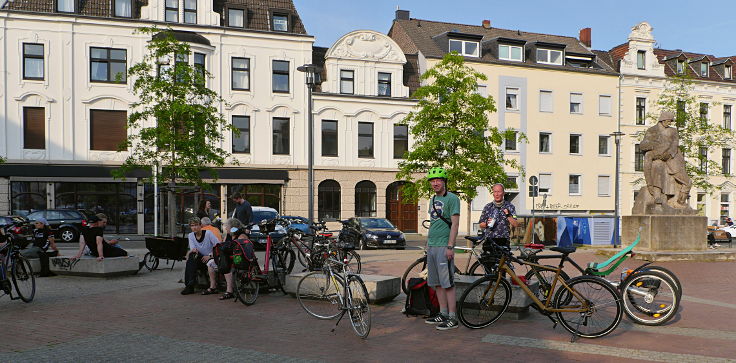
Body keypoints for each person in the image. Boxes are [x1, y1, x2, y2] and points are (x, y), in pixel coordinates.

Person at [424, 167, 460, 331]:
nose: (435, 183)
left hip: (444, 246)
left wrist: (450, 246)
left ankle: (453, 317)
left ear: (444, 182)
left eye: (438, 180)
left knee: (448, 283)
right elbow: (434, 223)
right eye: (433, 180)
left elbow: (455, 224)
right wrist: (428, 243)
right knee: (437, 282)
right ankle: (443, 313)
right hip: (432, 245)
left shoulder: (452, 199)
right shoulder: (432, 199)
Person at [639, 110, 692, 209]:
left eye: (671, 121)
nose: (669, 123)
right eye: (668, 121)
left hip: (673, 158)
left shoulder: (673, 131)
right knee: (657, 167)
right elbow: (643, 145)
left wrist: (669, 154)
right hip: (658, 158)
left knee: (687, 181)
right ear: (662, 120)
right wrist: (654, 147)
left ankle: (679, 202)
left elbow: (675, 144)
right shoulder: (652, 131)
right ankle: (657, 196)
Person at [181, 217, 220, 295]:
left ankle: (190, 285)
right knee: (192, 256)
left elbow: (218, 246)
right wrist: (189, 253)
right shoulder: (191, 235)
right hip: (200, 259)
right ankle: (190, 286)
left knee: (191, 258)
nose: (194, 227)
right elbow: (193, 249)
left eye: (196, 225)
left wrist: (210, 256)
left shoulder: (208, 233)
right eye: (192, 225)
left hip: (211, 259)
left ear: (200, 225)